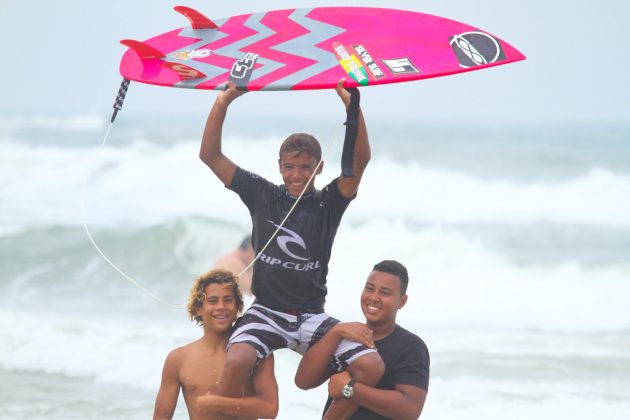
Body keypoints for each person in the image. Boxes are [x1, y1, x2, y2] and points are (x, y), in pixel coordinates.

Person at [197, 78, 383, 419]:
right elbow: (209, 155)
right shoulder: (262, 194)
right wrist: (224, 102)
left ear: (319, 169)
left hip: (311, 315)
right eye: (289, 167)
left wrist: (352, 107)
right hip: (266, 310)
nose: (296, 175)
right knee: (237, 359)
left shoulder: (329, 204)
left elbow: (361, 159)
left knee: (371, 367)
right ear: (279, 167)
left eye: (305, 168)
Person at [295, 260, 430, 419]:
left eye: (385, 292)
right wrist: (335, 333)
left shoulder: (411, 347)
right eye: (369, 288)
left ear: (401, 301)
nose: (374, 297)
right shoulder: (346, 337)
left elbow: (409, 409)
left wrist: (350, 389)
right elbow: (304, 382)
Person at [152, 269, 278, 420]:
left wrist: (217, 403)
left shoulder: (256, 351)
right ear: (198, 308)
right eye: (212, 301)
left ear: (237, 307)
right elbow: (161, 417)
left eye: (228, 300)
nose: (221, 307)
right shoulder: (178, 359)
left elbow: (270, 409)